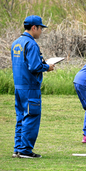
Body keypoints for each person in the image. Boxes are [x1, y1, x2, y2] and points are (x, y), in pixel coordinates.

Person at [11, 15, 55, 158]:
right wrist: (47, 67)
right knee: (31, 116)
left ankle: (18, 148)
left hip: (19, 86)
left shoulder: (16, 43)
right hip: (30, 87)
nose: (41, 31)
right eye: (40, 28)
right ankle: (25, 151)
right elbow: (34, 66)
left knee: (21, 118)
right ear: (34, 27)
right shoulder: (31, 44)